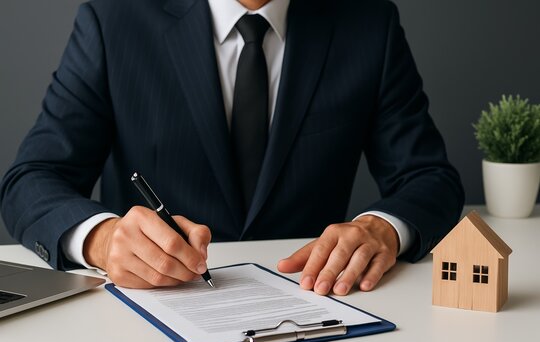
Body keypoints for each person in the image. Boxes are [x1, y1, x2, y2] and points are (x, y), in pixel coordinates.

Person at [0, 0, 464, 295]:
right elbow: (30, 180)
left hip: (315, 306)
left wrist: (382, 228)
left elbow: (430, 178)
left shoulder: (368, 22)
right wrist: (103, 241)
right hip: (152, 314)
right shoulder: (112, 19)